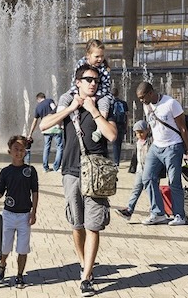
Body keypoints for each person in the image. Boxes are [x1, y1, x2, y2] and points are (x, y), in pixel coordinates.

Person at [40, 64, 117, 297]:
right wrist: (72, 107)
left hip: (96, 173)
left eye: (95, 80)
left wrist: (93, 111)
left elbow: (111, 135)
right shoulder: (68, 104)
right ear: (78, 83)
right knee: (77, 223)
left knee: (93, 225)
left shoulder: (103, 106)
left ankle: (86, 277)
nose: (93, 83)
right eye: (87, 79)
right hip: (71, 171)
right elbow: (44, 125)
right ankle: (85, 263)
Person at [130, 81, 188, 225]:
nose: (141, 101)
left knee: (174, 182)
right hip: (156, 147)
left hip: (173, 147)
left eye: (142, 97)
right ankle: (158, 213)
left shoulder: (171, 104)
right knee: (147, 178)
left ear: (151, 93)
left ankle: (179, 215)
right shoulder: (147, 105)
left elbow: (183, 128)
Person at [0, 135, 39, 288]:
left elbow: (35, 192)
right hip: (8, 214)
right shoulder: (5, 172)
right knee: (5, 245)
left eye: (22, 149)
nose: (19, 152)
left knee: (23, 248)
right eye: (16, 149)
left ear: (26, 152)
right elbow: (0, 192)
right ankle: (3, 263)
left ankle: (19, 275)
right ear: (9, 151)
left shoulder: (30, 171)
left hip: (25, 215)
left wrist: (34, 212)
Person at [115, 120, 154, 220]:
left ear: (147, 131)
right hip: (140, 170)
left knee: (151, 190)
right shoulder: (137, 143)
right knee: (136, 189)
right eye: (137, 133)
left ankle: (155, 210)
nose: (140, 135)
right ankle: (129, 210)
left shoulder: (151, 142)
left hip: (150, 170)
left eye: (142, 132)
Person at [33, 92, 62, 172]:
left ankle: (45, 167)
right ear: (44, 97)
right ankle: (56, 167)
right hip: (55, 127)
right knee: (59, 147)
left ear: (38, 99)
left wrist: (30, 133)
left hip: (46, 129)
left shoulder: (38, 107)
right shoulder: (49, 100)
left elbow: (35, 121)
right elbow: (55, 109)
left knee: (46, 147)